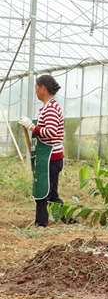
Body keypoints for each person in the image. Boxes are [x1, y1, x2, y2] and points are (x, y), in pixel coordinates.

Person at [19, 74, 65, 227]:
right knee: (51, 194)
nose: (36, 92)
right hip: (49, 158)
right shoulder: (47, 107)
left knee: (43, 194)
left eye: (36, 89)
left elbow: (50, 132)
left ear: (43, 88)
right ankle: (69, 220)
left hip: (51, 158)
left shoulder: (51, 108)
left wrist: (31, 126)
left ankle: (41, 224)